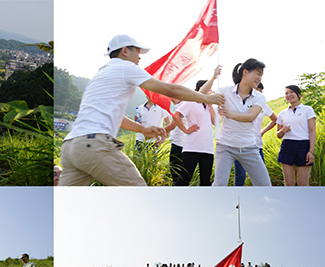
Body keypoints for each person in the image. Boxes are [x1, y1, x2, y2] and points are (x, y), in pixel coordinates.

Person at [57, 34, 225, 186]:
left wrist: (143, 129)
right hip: (93, 144)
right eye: (137, 52)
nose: (139, 58)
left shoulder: (101, 73)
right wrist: (206, 98)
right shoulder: (125, 67)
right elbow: (171, 90)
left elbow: (116, 117)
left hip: (72, 147)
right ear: (124, 51)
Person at [201, 59, 272, 186]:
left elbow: (251, 117)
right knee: (219, 184)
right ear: (245, 72)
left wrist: (230, 114)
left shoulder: (260, 97)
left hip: (249, 147)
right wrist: (213, 76)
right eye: (258, 73)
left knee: (265, 185)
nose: (260, 78)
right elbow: (201, 94)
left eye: (261, 75)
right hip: (226, 146)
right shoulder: (225, 92)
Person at [172, 69, 220, 186]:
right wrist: (186, 130)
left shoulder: (209, 107)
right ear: (200, 89)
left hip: (207, 149)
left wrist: (210, 104)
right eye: (208, 88)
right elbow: (176, 115)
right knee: (184, 180)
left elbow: (215, 123)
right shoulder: (190, 102)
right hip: (192, 148)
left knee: (206, 182)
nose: (210, 91)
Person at [233, 82, 278, 186]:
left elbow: (274, 119)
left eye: (261, 91)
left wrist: (262, 132)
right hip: (240, 145)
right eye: (257, 90)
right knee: (240, 177)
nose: (259, 93)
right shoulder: (241, 103)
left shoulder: (263, 105)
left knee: (261, 177)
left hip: (256, 145)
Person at [276, 85, 316, 186]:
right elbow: (278, 135)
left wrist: (311, 151)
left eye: (291, 92)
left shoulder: (308, 109)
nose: (289, 95)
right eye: (286, 93)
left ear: (299, 94)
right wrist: (283, 130)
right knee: (289, 184)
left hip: (303, 146)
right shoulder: (282, 113)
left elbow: (312, 131)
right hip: (287, 146)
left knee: (303, 184)